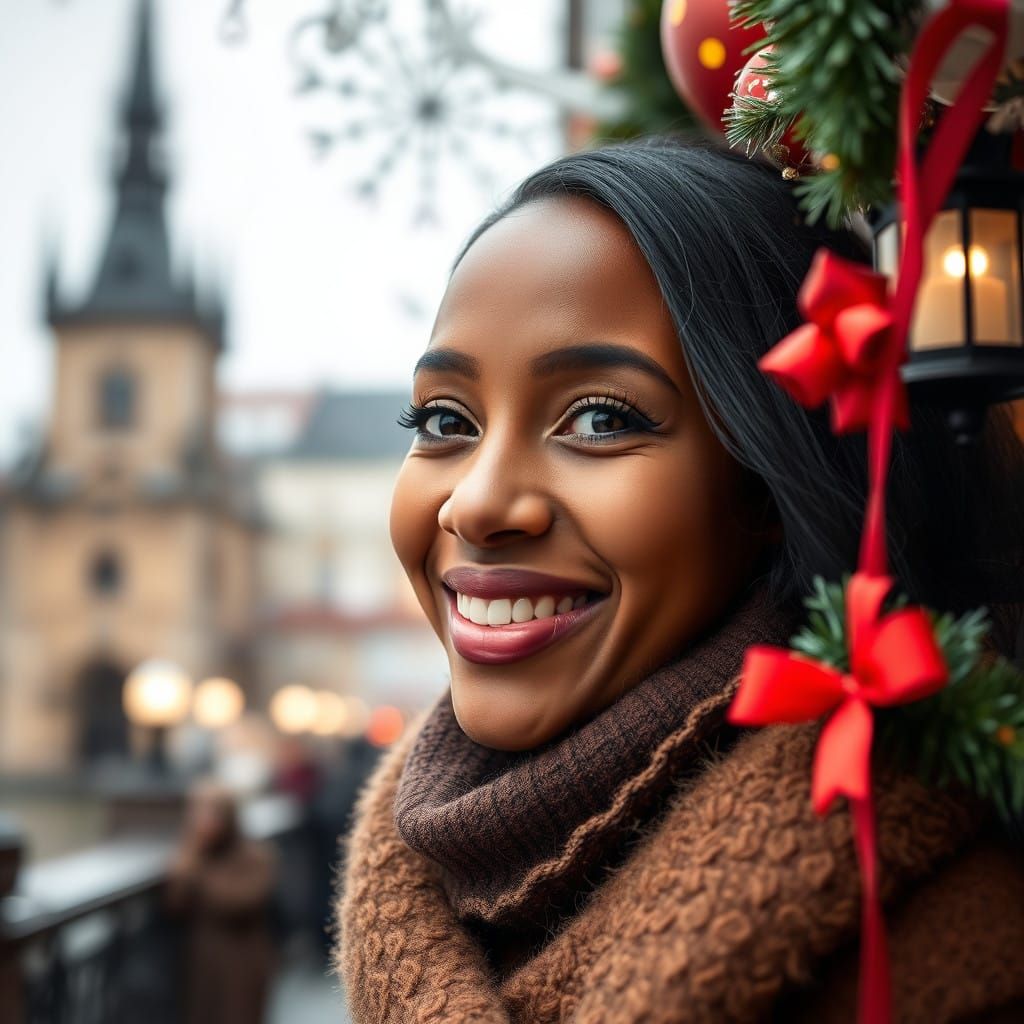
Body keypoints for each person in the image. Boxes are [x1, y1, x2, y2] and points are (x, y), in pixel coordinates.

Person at [335, 139, 1024, 1022]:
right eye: (444, 419)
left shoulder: (952, 959)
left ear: (768, 476)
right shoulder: (424, 871)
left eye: (598, 417)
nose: (476, 504)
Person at [166, 780, 277, 1024]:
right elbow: (175, 904)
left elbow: (240, 903)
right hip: (202, 962)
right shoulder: (190, 856)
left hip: (242, 963)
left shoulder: (256, 857)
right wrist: (191, 860)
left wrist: (199, 872)